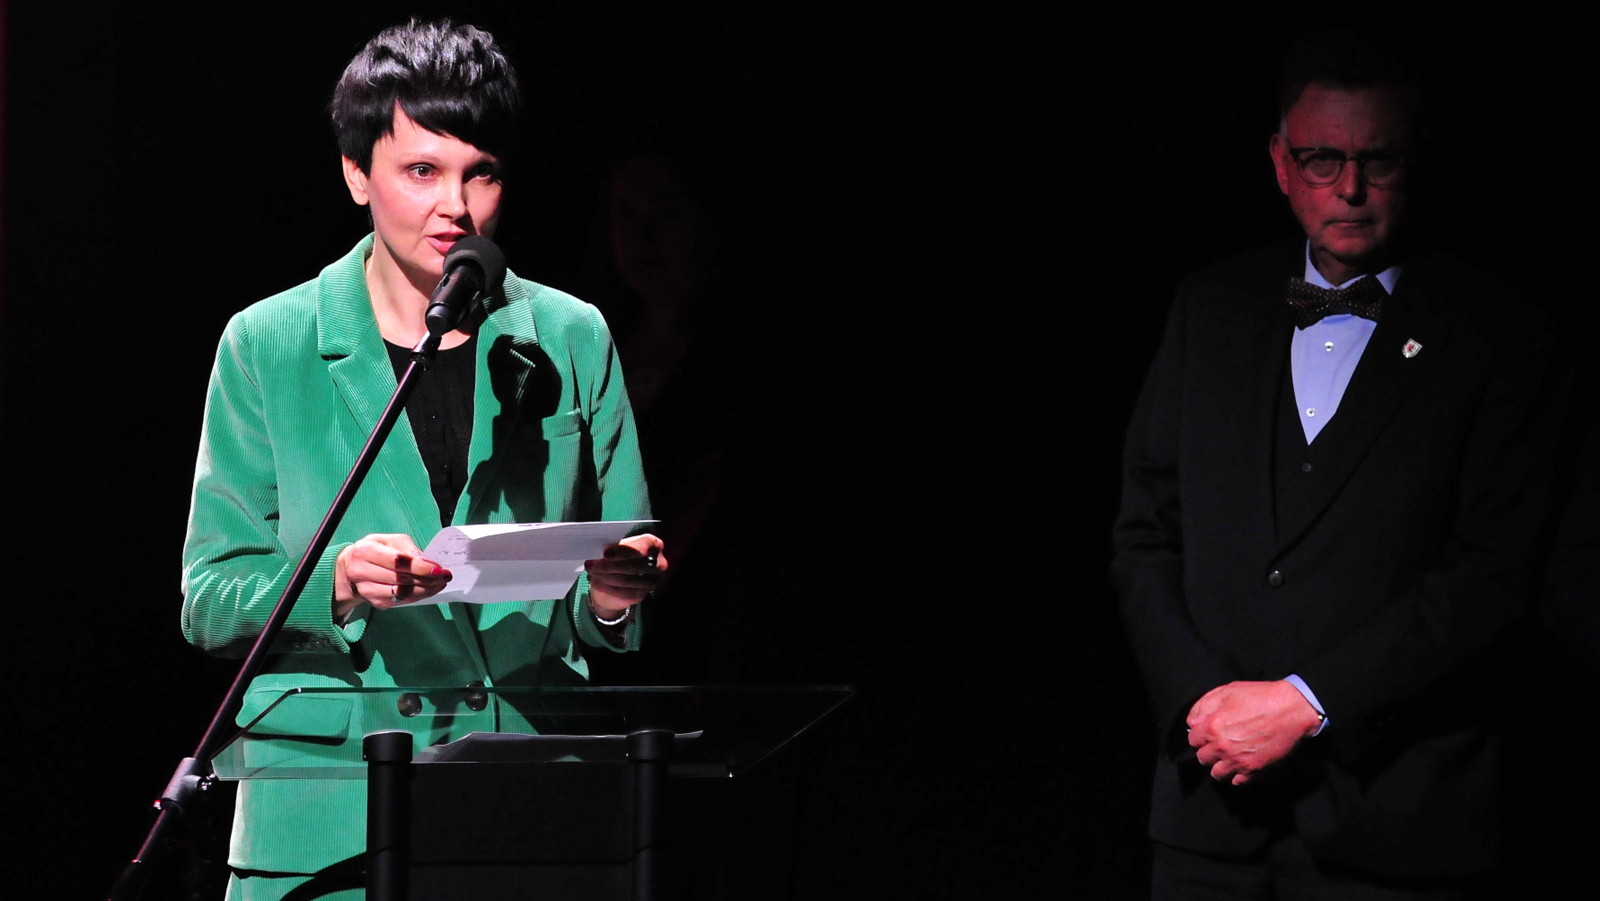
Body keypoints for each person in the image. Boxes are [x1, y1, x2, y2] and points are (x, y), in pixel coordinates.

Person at [181, 20, 665, 899]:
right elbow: (209, 599)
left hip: (526, 809)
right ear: (355, 173)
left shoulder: (571, 335)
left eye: (482, 173)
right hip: (322, 820)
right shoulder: (267, 343)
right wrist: (336, 580)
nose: (457, 206)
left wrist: (613, 595)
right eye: (421, 171)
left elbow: (618, 581)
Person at [1111, 30, 1556, 898]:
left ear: (1414, 161)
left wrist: (1309, 702)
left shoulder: (1501, 335)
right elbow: (1143, 536)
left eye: (1376, 160)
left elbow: (1492, 574)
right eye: (1322, 159)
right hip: (1209, 820)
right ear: (1281, 164)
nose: (1349, 189)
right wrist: (1204, 710)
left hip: (1396, 828)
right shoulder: (1209, 308)